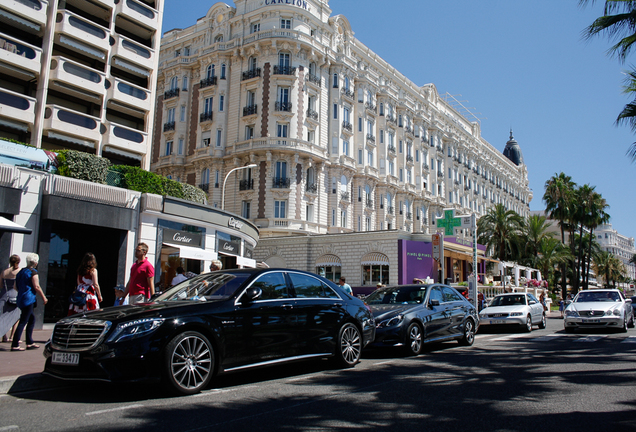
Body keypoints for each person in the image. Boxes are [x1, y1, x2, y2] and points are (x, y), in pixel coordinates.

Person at [11, 253, 47, 351]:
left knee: (31, 319)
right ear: (35, 262)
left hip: (21, 298)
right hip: (29, 299)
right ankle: (15, 344)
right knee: (24, 321)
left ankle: (30, 342)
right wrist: (44, 297)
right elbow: (37, 286)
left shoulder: (21, 272)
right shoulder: (33, 272)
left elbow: (15, 286)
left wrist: (22, 292)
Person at [0, 254, 21, 342]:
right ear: (18, 262)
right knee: (16, 316)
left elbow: (0, 285)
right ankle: (12, 336)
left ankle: (4, 336)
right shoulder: (20, 271)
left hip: (4, 295)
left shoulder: (4, 272)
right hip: (15, 295)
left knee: (2, 316)